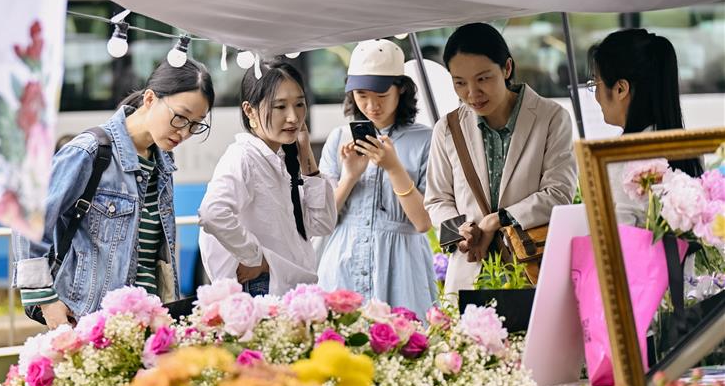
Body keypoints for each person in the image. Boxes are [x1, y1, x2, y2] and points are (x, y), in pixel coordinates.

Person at [14, 60, 214, 328]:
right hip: (92, 322)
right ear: (150, 98)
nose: (185, 132)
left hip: (151, 321)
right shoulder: (89, 151)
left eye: (196, 125)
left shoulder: (162, 164)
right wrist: (45, 300)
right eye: (180, 117)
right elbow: (29, 221)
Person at [424, 23, 577, 292]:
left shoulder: (551, 117)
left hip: (532, 270)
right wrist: (461, 232)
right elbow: (437, 200)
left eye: (483, 79)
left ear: (506, 68)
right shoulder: (448, 128)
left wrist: (496, 220)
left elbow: (559, 193)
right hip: (470, 276)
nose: (472, 93)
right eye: (460, 83)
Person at [317, 40, 435, 316]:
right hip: (343, 266)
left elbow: (423, 222)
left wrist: (394, 168)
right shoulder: (339, 138)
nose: (371, 105)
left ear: (401, 88)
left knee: (404, 348)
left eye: (381, 95)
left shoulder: (425, 140)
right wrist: (349, 177)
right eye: (361, 94)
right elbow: (323, 222)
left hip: (401, 269)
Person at [198, 59, 337, 296]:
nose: (293, 117)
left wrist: (305, 150)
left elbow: (322, 224)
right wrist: (255, 257)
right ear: (249, 110)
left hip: (289, 288)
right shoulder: (244, 157)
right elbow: (212, 213)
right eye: (280, 107)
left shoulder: (283, 157)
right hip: (264, 287)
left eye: (300, 104)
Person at [589, 28, 703, 225]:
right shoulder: (689, 148)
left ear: (620, 89)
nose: (596, 96)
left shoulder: (620, 158)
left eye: (595, 83)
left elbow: (616, 241)